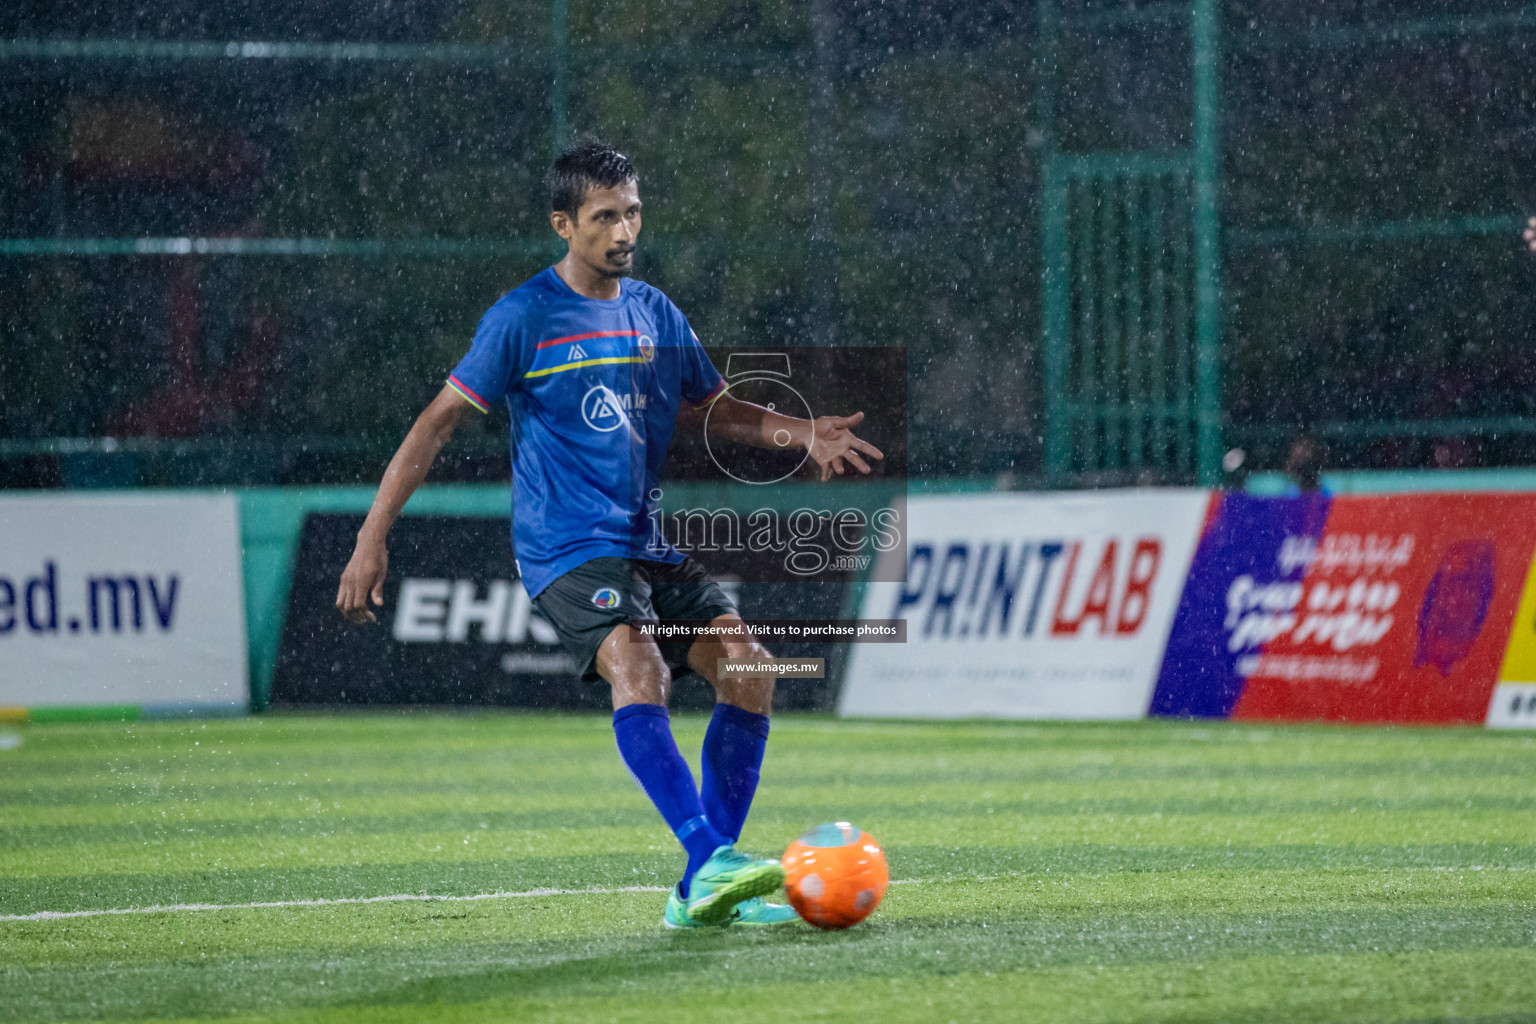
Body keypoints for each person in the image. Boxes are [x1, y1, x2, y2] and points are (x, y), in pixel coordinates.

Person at [334, 137, 882, 929]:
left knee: (750, 667)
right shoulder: (522, 317)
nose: (623, 231)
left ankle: (705, 880)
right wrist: (370, 537)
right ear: (564, 223)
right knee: (637, 659)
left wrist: (805, 435)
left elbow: (718, 408)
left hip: (645, 540)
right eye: (603, 217)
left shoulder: (654, 310)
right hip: (564, 547)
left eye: (632, 213)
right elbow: (437, 424)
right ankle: (705, 859)